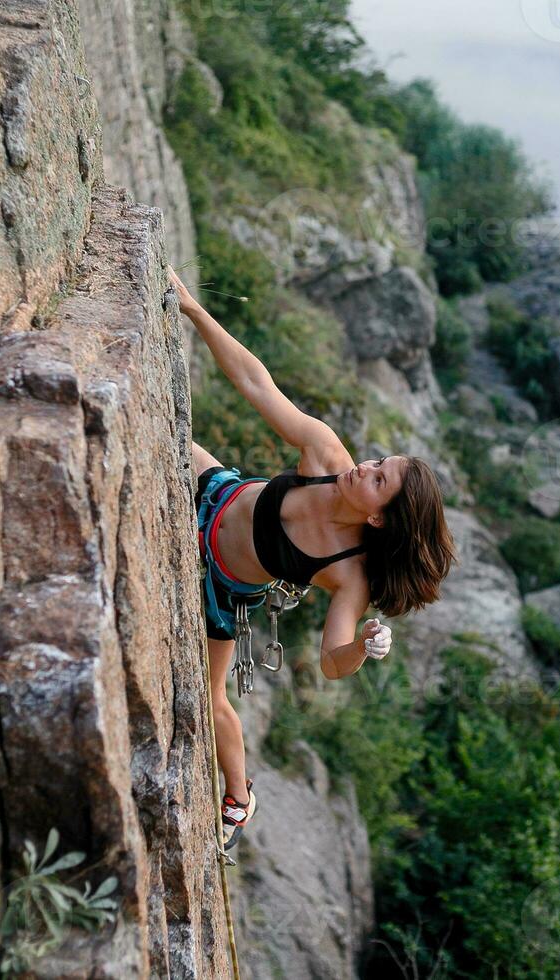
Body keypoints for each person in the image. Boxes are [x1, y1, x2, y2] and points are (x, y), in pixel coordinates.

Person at [171, 268, 457, 849]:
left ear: (378, 516)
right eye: (379, 460)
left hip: (222, 584)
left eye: (378, 479)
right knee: (159, 427)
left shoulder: (348, 572)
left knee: (211, 695)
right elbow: (257, 384)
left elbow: (331, 662)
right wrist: (192, 309)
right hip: (215, 493)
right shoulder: (326, 453)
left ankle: (238, 797)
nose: (365, 466)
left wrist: (362, 645)